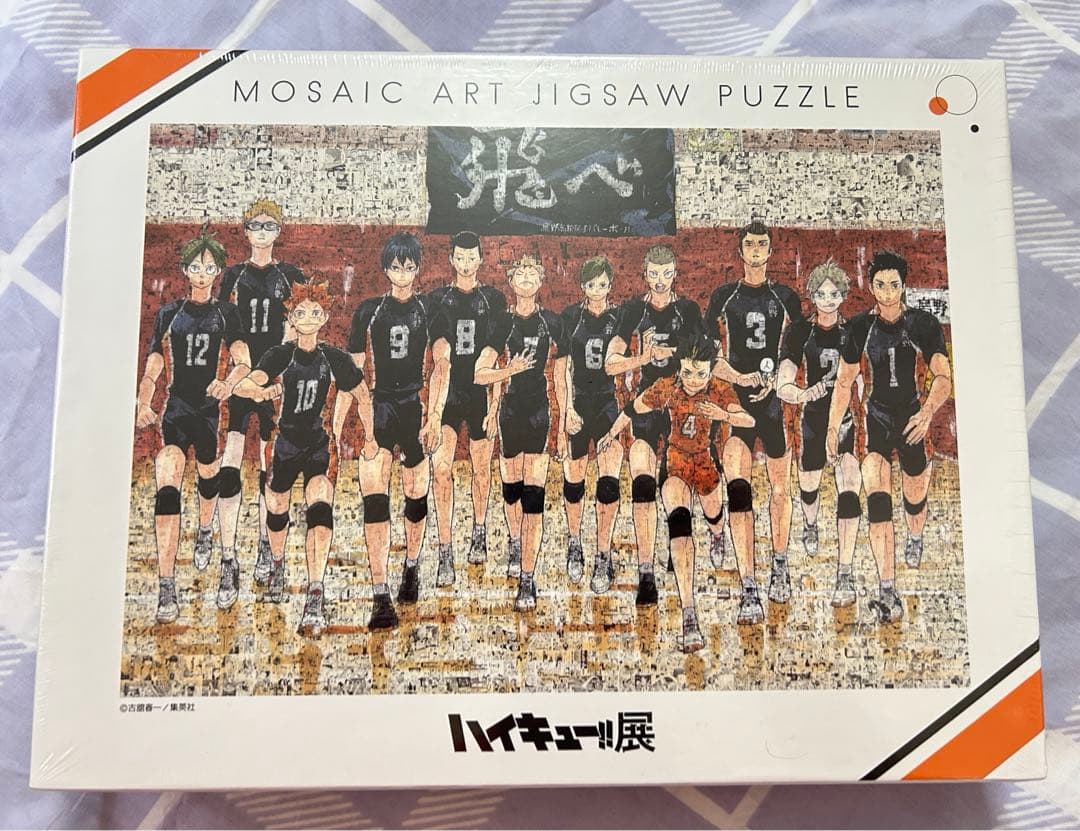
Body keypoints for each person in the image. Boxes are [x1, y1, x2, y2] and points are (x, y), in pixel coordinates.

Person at [600, 333, 752, 649]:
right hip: (676, 465)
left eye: (700, 373)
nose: (693, 379)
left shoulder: (719, 389)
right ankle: (689, 615)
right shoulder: (667, 387)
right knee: (679, 525)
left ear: (710, 370)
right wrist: (610, 435)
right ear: (679, 367)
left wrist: (723, 415)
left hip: (705, 465)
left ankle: (718, 534)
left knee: (715, 516)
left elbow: (747, 420)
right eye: (687, 372)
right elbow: (632, 409)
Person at [232, 282, 366, 637]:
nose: (308, 318)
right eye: (301, 313)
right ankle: (277, 563)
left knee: (319, 507)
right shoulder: (280, 355)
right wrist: (261, 390)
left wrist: (370, 435)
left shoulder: (333, 357)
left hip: (318, 445)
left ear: (324, 317)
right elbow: (243, 385)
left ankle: (315, 593)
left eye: (315, 312)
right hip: (284, 444)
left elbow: (363, 393)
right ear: (291, 317)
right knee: (277, 509)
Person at [828, 251, 952, 623]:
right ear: (871, 287)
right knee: (878, 499)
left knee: (915, 499)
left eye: (893, 285)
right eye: (880, 285)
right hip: (877, 420)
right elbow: (844, 382)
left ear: (903, 285)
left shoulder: (922, 324)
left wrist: (926, 413)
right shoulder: (859, 327)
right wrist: (833, 427)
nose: (887, 292)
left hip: (912, 418)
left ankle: (915, 535)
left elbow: (943, 377)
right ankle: (887, 589)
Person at [136, 228, 250, 622]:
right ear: (186, 270)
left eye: (209, 267)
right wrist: (144, 401)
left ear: (218, 271)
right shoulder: (169, 314)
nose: (202, 273)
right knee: (167, 477)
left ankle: (204, 529)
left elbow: (243, 359)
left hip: (209, 412)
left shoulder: (226, 313)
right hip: (176, 409)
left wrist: (228, 382)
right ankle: (167, 583)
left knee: (208, 478)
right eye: (196, 267)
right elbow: (154, 364)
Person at [344, 232, 451, 630]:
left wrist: (435, 416)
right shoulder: (369, 310)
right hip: (380, 407)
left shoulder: (430, 309)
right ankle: (379, 593)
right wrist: (357, 425)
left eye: (409, 267)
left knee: (414, 496)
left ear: (417, 269)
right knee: (375, 499)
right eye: (395, 267)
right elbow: (352, 374)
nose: (402, 274)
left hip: (413, 409)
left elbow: (442, 364)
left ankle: (411, 565)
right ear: (385, 269)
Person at [706, 221, 803, 623]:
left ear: (771, 251)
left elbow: (795, 351)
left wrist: (777, 381)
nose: (757, 250)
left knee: (780, 489)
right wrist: (742, 379)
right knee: (739, 490)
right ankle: (749, 585)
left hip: (772, 404)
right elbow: (710, 358)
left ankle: (779, 562)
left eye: (763, 244)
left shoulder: (785, 297)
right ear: (741, 251)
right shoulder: (723, 297)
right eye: (750, 244)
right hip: (736, 401)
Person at [603, 244, 701, 606]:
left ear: (675, 274)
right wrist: (644, 357)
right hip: (645, 402)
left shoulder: (687, 310)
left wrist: (674, 356)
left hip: (680, 402)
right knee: (642, 481)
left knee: (677, 479)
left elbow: (705, 355)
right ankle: (646, 571)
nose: (661, 281)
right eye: (654, 274)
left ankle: (678, 543)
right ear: (645, 274)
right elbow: (611, 363)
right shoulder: (633, 310)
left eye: (667, 274)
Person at [216, 198, 307, 587]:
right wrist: (246, 380)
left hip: (274, 381)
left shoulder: (290, 274)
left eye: (270, 225)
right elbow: (227, 330)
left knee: (272, 466)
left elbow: (295, 329)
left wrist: (273, 378)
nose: (262, 232)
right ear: (246, 230)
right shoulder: (234, 276)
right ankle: (228, 556)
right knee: (231, 460)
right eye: (256, 225)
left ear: (279, 231)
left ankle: (266, 548)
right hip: (242, 378)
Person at [475, 254, 569, 611]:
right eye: (521, 273)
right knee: (511, 491)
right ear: (512, 282)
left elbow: (562, 376)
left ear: (541, 280)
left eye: (533, 273)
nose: (527, 278)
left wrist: (565, 420)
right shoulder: (502, 322)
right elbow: (480, 374)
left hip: (538, 412)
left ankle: (528, 578)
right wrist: (508, 372)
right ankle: (514, 541)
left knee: (534, 497)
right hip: (510, 412)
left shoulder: (552, 322)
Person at [777, 260, 862, 606]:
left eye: (834, 294)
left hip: (845, 420)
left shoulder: (852, 332)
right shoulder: (799, 331)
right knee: (809, 486)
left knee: (850, 486)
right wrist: (800, 393)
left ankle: (845, 570)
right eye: (822, 294)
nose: (828, 300)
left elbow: (857, 377)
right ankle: (810, 525)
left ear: (843, 296)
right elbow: (783, 381)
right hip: (812, 418)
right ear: (812, 296)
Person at [427, 232, 507, 584]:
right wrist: (434, 412)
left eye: (471, 256)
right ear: (451, 259)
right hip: (448, 394)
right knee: (441, 470)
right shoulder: (438, 299)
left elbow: (494, 357)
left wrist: (494, 407)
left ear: (480, 259)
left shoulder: (493, 299)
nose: (465, 263)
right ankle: (445, 549)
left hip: (479, 394)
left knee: (481, 470)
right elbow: (440, 358)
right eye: (459, 256)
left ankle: (479, 529)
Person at [559, 256, 624, 585]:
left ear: (610, 285)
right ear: (582, 286)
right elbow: (563, 370)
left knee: (608, 482)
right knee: (574, 481)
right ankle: (574, 542)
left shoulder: (619, 316)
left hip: (607, 403)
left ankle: (603, 553)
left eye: (602, 284)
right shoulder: (570, 317)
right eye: (591, 285)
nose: (597, 290)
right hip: (580, 404)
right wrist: (567, 410)